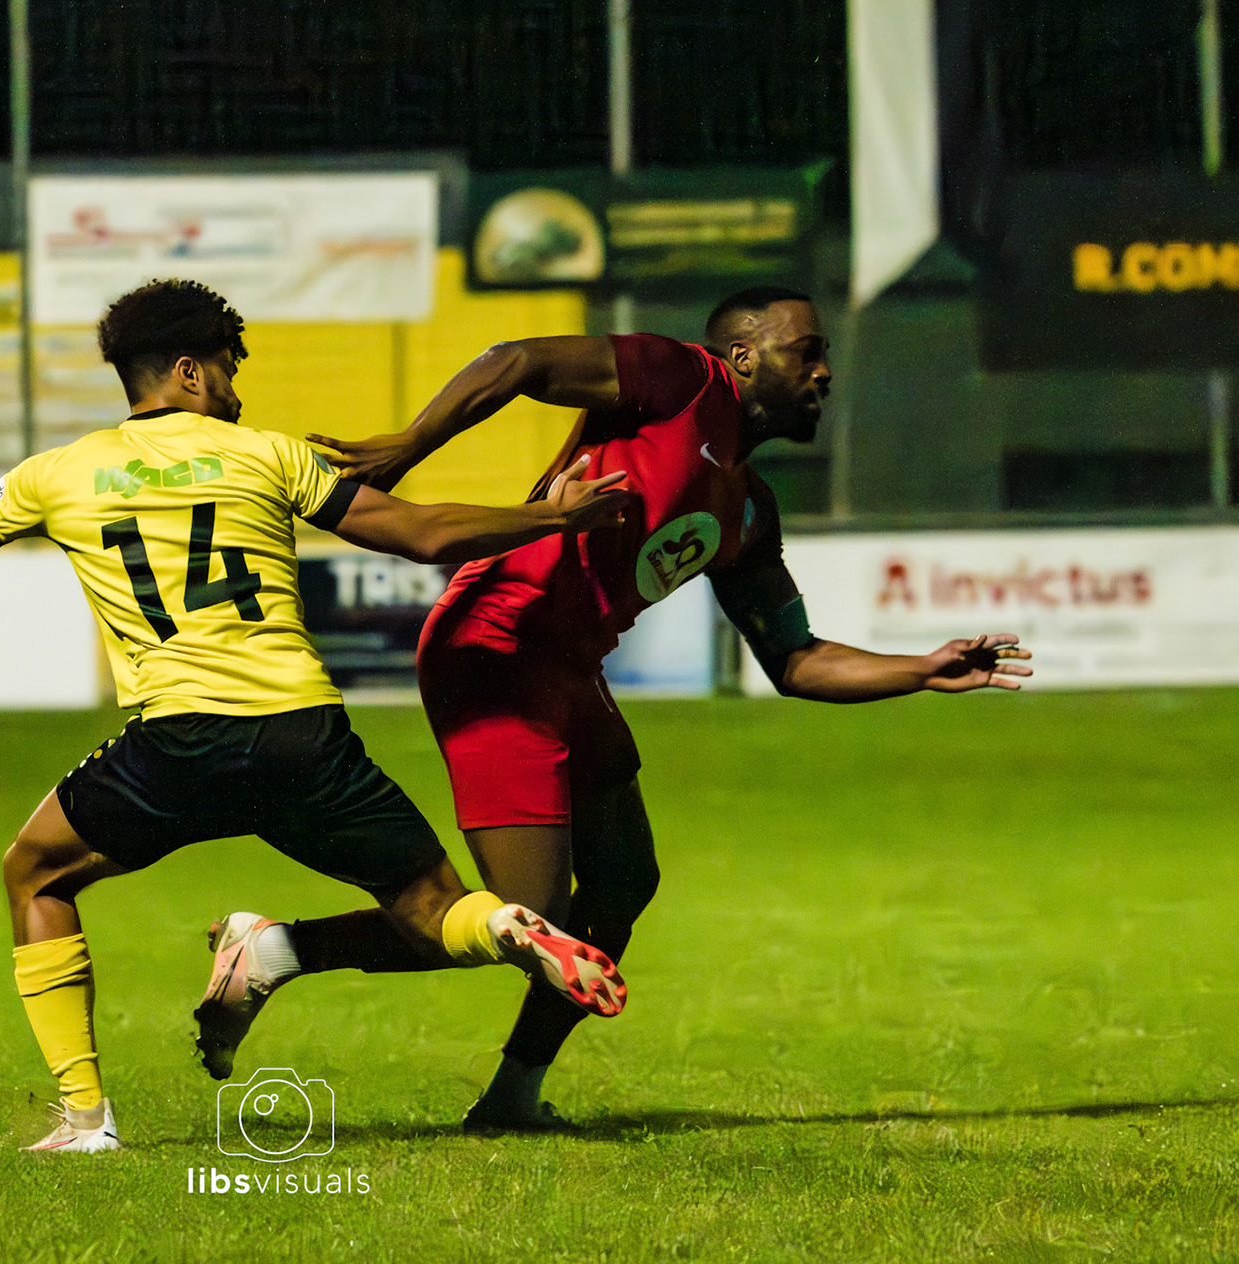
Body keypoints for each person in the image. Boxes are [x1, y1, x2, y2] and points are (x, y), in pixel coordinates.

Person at [196, 286, 1034, 1131]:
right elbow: (519, 362)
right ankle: (277, 950)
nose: (823, 371)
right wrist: (410, 445)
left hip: (570, 668)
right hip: (497, 643)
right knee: (536, 923)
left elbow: (796, 660)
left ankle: (512, 1100)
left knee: (624, 881)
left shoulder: (748, 507)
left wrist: (921, 668)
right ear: (743, 356)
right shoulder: (680, 381)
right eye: (806, 351)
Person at [0, 278, 634, 1154]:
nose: (235, 384)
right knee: (431, 907)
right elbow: (427, 534)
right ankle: (505, 926)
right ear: (186, 371)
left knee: (35, 874)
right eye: (226, 365)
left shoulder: (57, 473)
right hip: (304, 737)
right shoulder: (266, 455)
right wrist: (548, 519)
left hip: (176, 744)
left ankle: (85, 1120)